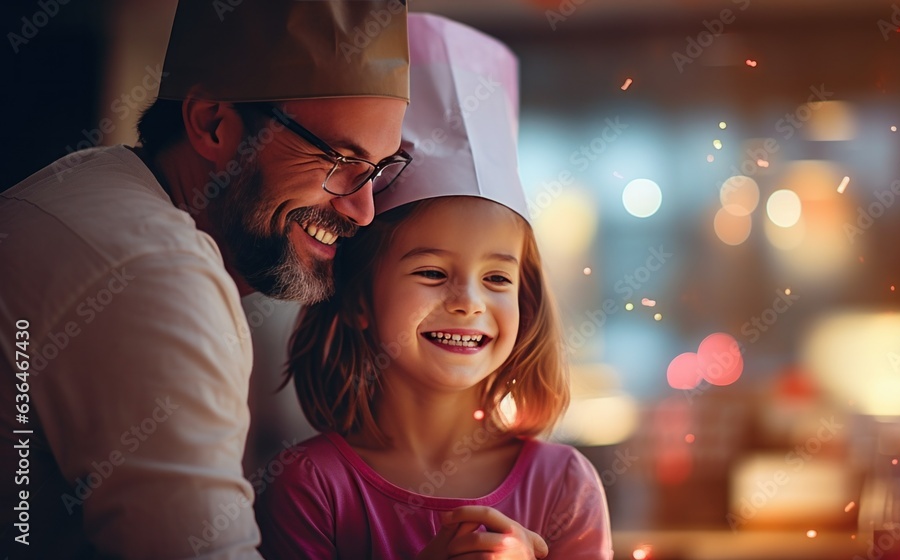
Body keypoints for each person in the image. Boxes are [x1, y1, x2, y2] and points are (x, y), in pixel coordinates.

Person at [0, 1, 409, 558]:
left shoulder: (93, 183)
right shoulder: (154, 271)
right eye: (339, 160)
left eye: (381, 169)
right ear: (213, 123)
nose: (363, 210)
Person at [255, 13, 614, 559]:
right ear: (357, 300)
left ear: (526, 299)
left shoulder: (564, 484)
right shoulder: (310, 486)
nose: (468, 301)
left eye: (497, 278)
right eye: (431, 272)